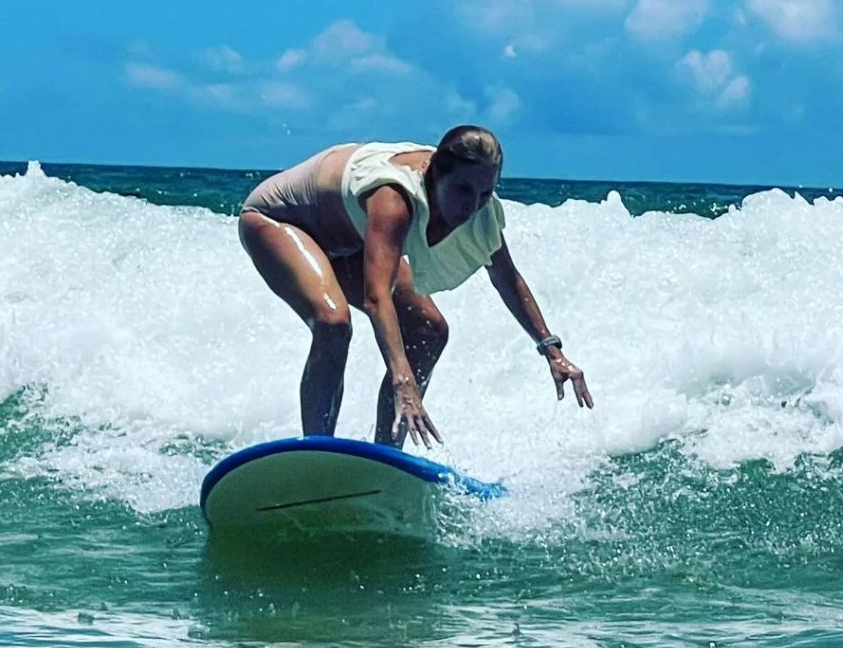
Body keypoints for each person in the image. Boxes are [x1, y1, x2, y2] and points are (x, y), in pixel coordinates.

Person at [238, 124, 593, 449]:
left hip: (350, 238)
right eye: (462, 190)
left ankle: (385, 455)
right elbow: (377, 297)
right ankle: (316, 453)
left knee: (430, 329)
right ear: (435, 173)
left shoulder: (481, 209)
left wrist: (551, 349)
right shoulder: (394, 199)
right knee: (333, 322)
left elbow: (506, 277)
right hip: (279, 220)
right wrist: (402, 379)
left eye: (484, 193)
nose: (471, 205)